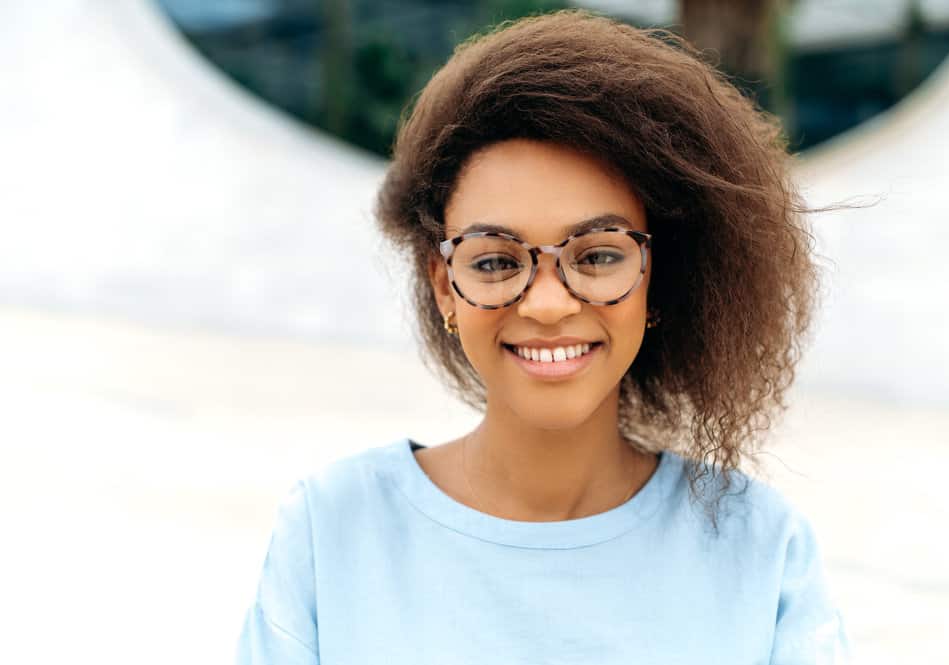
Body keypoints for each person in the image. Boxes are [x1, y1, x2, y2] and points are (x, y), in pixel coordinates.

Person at [236, 9, 851, 664]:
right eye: (496, 261)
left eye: (597, 255)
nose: (549, 303)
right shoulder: (332, 529)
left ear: (656, 278)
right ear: (444, 286)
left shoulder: (760, 548)